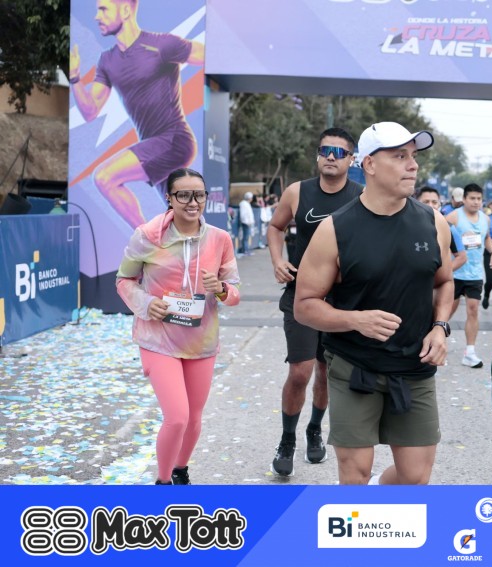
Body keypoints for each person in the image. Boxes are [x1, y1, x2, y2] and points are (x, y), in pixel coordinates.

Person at [294, 122, 453, 485]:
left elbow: (445, 282)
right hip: (355, 365)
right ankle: (363, 520)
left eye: (413, 156)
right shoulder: (335, 228)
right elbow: (304, 305)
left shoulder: (433, 222)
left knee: (415, 478)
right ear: (368, 164)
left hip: (414, 366)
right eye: (399, 156)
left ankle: (384, 495)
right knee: (355, 476)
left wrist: (440, 327)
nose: (412, 165)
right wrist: (356, 320)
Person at [116, 168, 240, 485]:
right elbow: (124, 280)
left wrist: (221, 289)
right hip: (158, 339)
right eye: (183, 195)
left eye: (198, 194)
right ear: (169, 198)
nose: (192, 202)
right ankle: (162, 482)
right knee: (178, 417)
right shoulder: (147, 236)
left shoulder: (220, 239)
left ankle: (180, 470)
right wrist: (146, 303)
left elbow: (234, 294)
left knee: (194, 418)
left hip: (201, 341)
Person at [265, 127, 362, 477]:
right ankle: (287, 438)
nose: (331, 157)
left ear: (352, 160)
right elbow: (275, 227)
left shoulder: (362, 196)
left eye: (339, 152)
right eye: (325, 150)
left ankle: (315, 429)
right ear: (318, 155)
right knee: (300, 371)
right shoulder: (297, 192)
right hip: (301, 295)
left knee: (326, 372)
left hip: (342, 299)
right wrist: (278, 260)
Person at [69, 0, 204, 229]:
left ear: (124, 10)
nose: (97, 17)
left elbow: (208, 56)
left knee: (104, 177)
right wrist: (75, 78)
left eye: (103, 9)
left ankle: (147, 239)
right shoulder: (107, 61)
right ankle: (168, 246)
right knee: (178, 225)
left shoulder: (161, 45)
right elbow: (90, 111)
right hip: (154, 148)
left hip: (174, 139)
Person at [445, 184, 492, 368]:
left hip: (475, 274)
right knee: (446, 311)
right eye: (472, 198)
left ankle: (470, 352)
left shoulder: (486, 219)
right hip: (455, 272)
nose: (476, 202)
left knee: (473, 309)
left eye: (479, 199)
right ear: (464, 199)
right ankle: (432, 341)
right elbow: (440, 237)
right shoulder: (453, 217)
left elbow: (486, 238)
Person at [418, 186, 467, 271]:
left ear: (439, 204)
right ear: (416, 203)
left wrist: (442, 274)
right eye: (426, 202)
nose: (430, 205)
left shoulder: (448, 227)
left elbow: (462, 257)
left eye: (434, 202)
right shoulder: (406, 224)